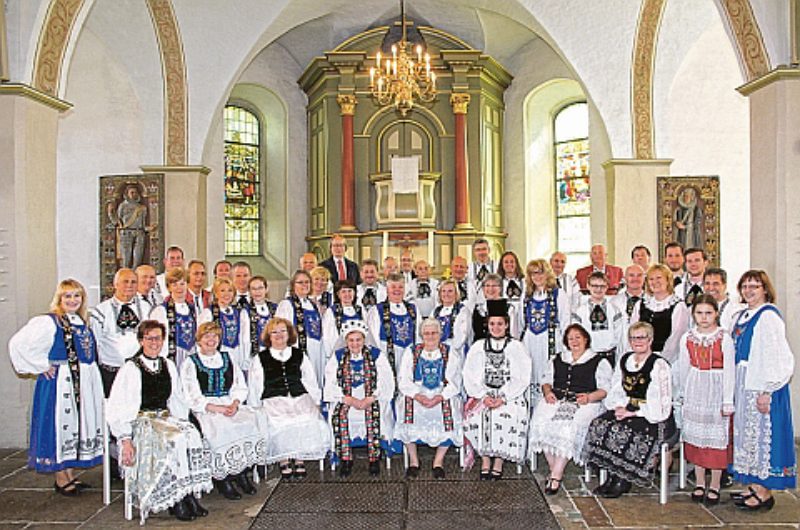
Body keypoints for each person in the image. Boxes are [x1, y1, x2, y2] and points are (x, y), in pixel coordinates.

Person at [107, 320, 213, 522]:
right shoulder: (131, 368)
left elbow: (176, 398)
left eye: (158, 338)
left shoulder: (168, 364)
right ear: (141, 340)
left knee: (190, 435)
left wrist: (182, 420)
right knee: (175, 439)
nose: (154, 342)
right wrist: (124, 438)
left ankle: (187, 493)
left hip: (164, 417)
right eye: (149, 338)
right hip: (141, 421)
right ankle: (175, 500)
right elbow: (119, 406)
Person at [9, 279, 104, 496]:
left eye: (76, 296)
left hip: (83, 383)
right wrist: (40, 366)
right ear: (59, 299)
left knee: (76, 427)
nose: (72, 300)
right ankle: (61, 477)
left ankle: (69, 472)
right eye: (67, 296)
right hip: (62, 384)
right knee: (61, 425)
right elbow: (18, 344)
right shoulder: (49, 322)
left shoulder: (81, 321)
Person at [582, 322, 676, 498]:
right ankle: (611, 474)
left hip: (652, 414)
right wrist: (618, 406)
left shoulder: (659, 364)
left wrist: (634, 412)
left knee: (623, 430)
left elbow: (661, 401)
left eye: (641, 337)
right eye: (633, 338)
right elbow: (616, 388)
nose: (637, 341)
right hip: (627, 406)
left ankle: (622, 479)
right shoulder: (625, 360)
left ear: (650, 339)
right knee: (599, 424)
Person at [729, 270, 796, 510]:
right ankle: (752, 484)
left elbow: (777, 357)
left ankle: (764, 492)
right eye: (745, 286)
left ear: (765, 290)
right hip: (742, 380)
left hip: (759, 383)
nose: (749, 291)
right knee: (747, 435)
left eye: (754, 286)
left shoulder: (768, 316)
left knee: (760, 436)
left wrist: (768, 390)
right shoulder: (742, 315)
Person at [181, 322, 262, 499]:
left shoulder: (227, 357)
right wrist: (215, 408)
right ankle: (223, 478)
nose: (211, 340)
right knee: (221, 427)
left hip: (228, 402)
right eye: (207, 336)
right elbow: (191, 393)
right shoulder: (191, 362)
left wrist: (234, 403)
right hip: (206, 407)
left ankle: (241, 472)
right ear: (199, 340)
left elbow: (239, 384)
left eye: (215, 336)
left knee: (249, 422)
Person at [528, 324, 612, 495]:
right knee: (540, 421)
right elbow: (546, 380)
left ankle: (556, 475)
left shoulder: (598, 361)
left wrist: (589, 397)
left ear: (586, 339)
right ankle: (554, 470)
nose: (574, 341)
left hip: (585, 402)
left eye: (578, 337)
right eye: (570, 338)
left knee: (567, 427)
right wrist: (548, 392)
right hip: (557, 399)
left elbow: (605, 390)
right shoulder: (558, 358)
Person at [248, 318, 330, 480]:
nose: (279, 335)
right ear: (269, 336)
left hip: (299, 396)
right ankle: (283, 459)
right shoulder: (260, 358)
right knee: (281, 421)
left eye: (283, 331)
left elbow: (310, 379)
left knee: (306, 417)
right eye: (274, 332)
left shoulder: (300, 355)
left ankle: (299, 458)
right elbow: (255, 383)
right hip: (273, 398)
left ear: (289, 334)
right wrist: (255, 406)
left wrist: (315, 401)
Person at [463, 300, 531, 479]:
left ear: (507, 325)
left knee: (504, 414)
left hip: (509, 395)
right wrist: (483, 396)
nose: (496, 327)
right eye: (492, 323)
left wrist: (503, 397)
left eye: (500, 323)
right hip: (483, 395)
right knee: (479, 415)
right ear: (487, 325)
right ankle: (485, 459)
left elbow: (522, 377)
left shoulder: (517, 347)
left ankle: (499, 460)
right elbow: (469, 375)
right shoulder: (478, 347)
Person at [676, 295, 734, 506]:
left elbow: (730, 371)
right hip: (695, 388)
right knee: (697, 439)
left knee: (715, 441)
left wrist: (728, 399)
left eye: (708, 313)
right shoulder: (688, 338)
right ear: (694, 315)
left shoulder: (723, 338)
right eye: (699, 313)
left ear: (716, 313)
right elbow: (684, 367)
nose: (704, 317)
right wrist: (682, 393)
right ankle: (700, 482)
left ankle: (715, 484)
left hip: (716, 389)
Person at [324, 320, 395, 478]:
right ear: (346, 341)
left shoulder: (376, 355)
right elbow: (330, 382)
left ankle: (374, 458)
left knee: (373, 414)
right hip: (346, 397)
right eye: (351, 340)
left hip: (370, 396)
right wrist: (347, 399)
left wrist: (371, 397)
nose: (355, 344)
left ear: (364, 339)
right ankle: (346, 458)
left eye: (358, 340)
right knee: (341, 415)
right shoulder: (337, 357)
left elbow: (386, 380)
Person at [395, 318, 463, 479]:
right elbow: (403, 379)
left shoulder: (450, 352)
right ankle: (413, 461)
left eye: (434, 333)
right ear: (421, 335)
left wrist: (440, 397)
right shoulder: (411, 351)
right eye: (426, 333)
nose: (430, 336)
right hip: (417, 393)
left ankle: (438, 462)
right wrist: (418, 396)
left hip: (441, 393)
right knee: (406, 406)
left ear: (440, 334)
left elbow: (455, 381)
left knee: (450, 408)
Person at [520, 259, 570, 405]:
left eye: (540, 272)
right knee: (531, 371)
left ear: (547, 273)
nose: (537, 277)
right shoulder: (527, 296)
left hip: (551, 340)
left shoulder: (558, 294)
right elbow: (521, 322)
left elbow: (565, 320)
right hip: (531, 341)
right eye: (533, 273)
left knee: (549, 371)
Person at [90, 268, 146, 395]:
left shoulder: (146, 308)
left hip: (139, 370)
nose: (129, 285)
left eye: (133, 282)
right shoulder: (100, 311)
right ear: (115, 284)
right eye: (125, 281)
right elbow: (95, 343)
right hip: (111, 371)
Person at [631, 264, 689, 364]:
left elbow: (676, 338)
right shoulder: (641, 304)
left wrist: (659, 361)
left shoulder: (678, 306)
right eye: (651, 279)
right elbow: (632, 331)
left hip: (668, 360)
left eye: (659, 278)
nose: (655, 282)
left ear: (668, 280)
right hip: (641, 358)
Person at [276, 270, 324, 391]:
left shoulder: (313, 305)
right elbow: (280, 332)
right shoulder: (287, 304)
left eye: (307, 282)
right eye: (300, 282)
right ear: (293, 285)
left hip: (316, 351)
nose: (304, 285)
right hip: (297, 351)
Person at [151, 268, 207, 369]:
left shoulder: (193, 308)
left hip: (191, 354)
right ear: (169, 288)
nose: (179, 288)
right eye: (175, 284)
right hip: (171, 356)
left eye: (182, 284)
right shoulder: (161, 311)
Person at [366, 272, 421, 376]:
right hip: (387, 353)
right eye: (393, 287)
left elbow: (419, 333)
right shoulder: (377, 310)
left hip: (410, 353)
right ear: (387, 289)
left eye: (400, 287)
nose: (397, 290)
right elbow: (372, 338)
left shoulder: (413, 309)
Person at [571, 272, 624, 366]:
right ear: (588, 286)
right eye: (595, 286)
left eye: (602, 286)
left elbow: (618, 334)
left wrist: (610, 347)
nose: (598, 289)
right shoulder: (579, 311)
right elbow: (577, 334)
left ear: (607, 287)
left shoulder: (614, 310)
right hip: (589, 355)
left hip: (609, 355)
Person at [322, 280, 365, 359]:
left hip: (359, 352)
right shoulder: (331, 311)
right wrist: (331, 355)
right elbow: (327, 336)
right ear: (338, 294)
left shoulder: (360, 310)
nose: (347, 294)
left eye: (350, 291)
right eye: (344, 292)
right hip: (338, 352)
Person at [470, 274, 520, 342]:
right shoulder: (478, 309)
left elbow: (514, 334)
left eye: (494, 285)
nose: (490, 289)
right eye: (487, 285)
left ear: (500, 288)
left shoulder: (509, 309)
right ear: (483, 288)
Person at [111, 184, 149, 269]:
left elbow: (142, 223)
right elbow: (117, 220)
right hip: (127, 232)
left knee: (138, 256)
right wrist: (111, 213)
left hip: (139, 232)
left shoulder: (141, 207)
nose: (133, 194)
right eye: (131, 192)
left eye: (135, 192)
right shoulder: (123, 206)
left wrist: (147, 228)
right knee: (126, 257)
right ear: (127, 194)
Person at [431, 279, 471, 357]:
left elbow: (462, 335)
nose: (446, 294)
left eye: (450, 291)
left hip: (456, 352)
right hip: (437, 351)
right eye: (443, 291)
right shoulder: (435, 311)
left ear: (456, 294)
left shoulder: (463, 311)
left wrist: (450, 351)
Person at [243, 275, 277, 361]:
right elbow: (245, 338)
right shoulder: (245, 311)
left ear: (266, 289)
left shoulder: (275, 308)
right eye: (253, 289)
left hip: (274, 350)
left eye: (260, 288)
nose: (257, 292)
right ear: (249, 291)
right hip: (255, 353)